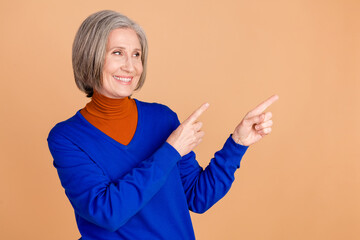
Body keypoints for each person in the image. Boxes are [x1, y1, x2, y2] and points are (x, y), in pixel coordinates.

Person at [47, 10, 278, 240]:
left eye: (136, 55)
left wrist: (237, 144)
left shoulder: (162, 118)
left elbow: (198, 196)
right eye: (118, 53)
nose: (130, 66)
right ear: (90, 57)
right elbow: (108, 213)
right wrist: (170, 151)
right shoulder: (67, 138)